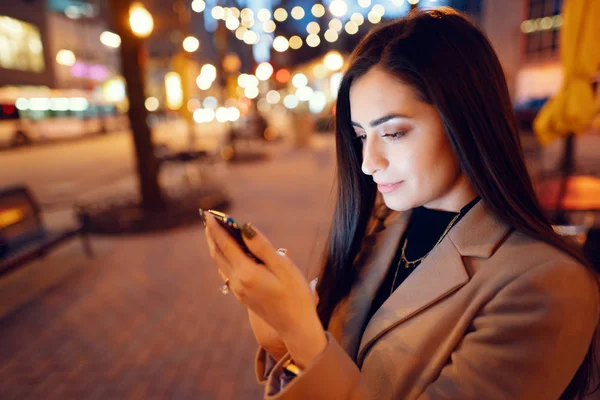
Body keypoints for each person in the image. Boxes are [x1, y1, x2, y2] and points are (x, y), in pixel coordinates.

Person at [201, 7, 599, 400]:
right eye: (360, 136)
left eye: (392, 133)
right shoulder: (385, 226)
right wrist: (282, 336)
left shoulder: (546, 283)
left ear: (463, 118)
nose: (369, 163)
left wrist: (303, 333)